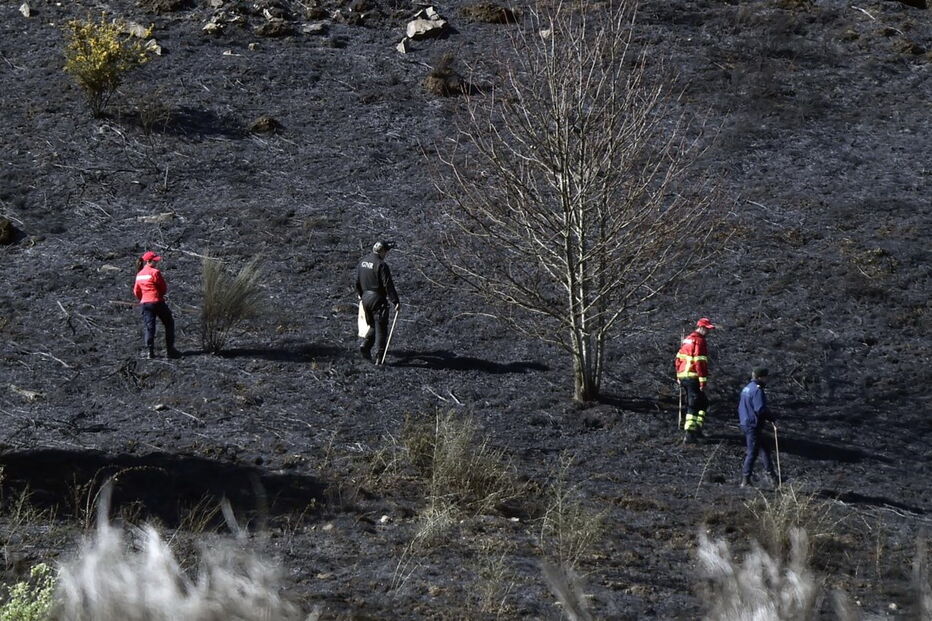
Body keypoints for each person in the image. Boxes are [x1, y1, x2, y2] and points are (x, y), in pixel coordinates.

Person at [355, 240, 400, 364]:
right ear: (383, 251)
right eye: (386, 251)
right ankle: (379, 358)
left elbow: (357, 281)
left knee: (373, 326)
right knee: (381, 328)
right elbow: (388, 285)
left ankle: (366, 345)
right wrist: (395, 301)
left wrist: (360, 295)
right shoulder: (381, 265)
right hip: (378, 299)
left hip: (365, 298)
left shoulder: (362, 262)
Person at [133, 251, 180, 359]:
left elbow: (136, 291)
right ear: (150, 261)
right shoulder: (155, 272)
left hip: (145, 304)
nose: (156, 262)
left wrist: (143, 299)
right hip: (157, 302)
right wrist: (159, 295)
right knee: (169, 323)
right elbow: (163, 288)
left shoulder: (139, 275)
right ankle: (170, 350)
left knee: (149, 327)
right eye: (155, 260)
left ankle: (150, 352)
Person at [675, 317, 715, 443]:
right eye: (707, 329)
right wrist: (703, 381)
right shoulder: (700, 341)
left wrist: (678, 374)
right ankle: (690, 434)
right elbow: (700, 362)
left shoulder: (687, 340)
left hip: (684, 375)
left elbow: (678, 359)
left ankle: (696, 429)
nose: (708, 332)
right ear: (701, 328)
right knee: (695, 403)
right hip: (693, 376)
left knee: (703, 402)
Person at [738, 367, 778, 487]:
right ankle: (745, 480)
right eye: (766, 377)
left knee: (764, 448)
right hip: (752, 424)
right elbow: (760, 409)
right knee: (752, 452)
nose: (767, 379)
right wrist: (772, 419)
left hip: (746, 422)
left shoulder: (747, 388)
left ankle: (771, 475)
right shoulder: (757, 390)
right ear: (761, 377)